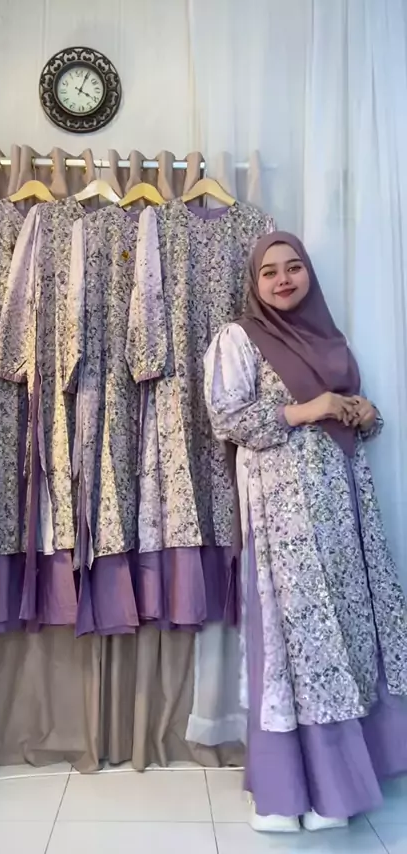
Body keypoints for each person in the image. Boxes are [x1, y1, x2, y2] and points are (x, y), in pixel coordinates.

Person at [204, 231, 407, 833]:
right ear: (254, 282)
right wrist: (311, 408)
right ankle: (291, 789)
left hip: (343, 511)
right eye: (269, 272)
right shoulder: (239, 337)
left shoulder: (329, 339)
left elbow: (349, 418)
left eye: (294, 268)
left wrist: (364, 413)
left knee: (347, 631)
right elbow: (227, 417)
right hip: (282, 515)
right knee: (298, 639)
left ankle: (342, 784)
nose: (283, 280)